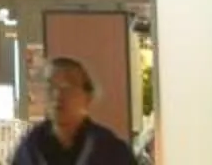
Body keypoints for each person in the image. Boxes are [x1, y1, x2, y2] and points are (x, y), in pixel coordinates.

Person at [10, 57, 138, 165]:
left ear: (88, 96)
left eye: (67, 87)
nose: (57, 95)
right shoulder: (30, 147)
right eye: (51, 86)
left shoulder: (110, 149)